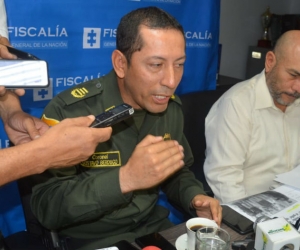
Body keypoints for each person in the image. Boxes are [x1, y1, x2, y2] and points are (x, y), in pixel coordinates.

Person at [30, 6, 222, 249]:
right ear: (121, 63)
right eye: (156, 65)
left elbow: (176, 171)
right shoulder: (69, 113)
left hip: (152, 229)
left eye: (179, 64)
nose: (171, 81)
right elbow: (47, 207)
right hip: (93, 240)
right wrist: (125, 179)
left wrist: (194, 197)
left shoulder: (169, 109)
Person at [204, 30, 300, 203]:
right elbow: (225, 180)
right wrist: (251, 223)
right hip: (250, 211)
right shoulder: (236, 104)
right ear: (270, 61)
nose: (298, 88)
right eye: (293, 75)